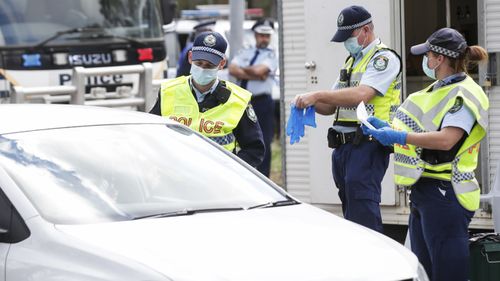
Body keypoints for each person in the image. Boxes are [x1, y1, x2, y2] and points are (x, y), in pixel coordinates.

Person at [362, 28, 489, 281]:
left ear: (439, 59)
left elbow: (446, 140)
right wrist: (389, 128)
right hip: (423, 191)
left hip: (445, 193)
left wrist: (399, 137)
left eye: (428, 55)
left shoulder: (463, 94)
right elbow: (422, 129)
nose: (425, 61)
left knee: (447, 274)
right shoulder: (436, 90)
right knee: (424, 273)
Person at [293, 5, 402, 233]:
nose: (346, 42)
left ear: (365, 31)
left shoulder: (383, 58)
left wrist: (317, 94)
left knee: (363, 215)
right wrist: (307, 104)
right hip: (344, 148)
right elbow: (331, 106)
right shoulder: (352, 61)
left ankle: (374, 265)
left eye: (348, 36)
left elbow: (362, 94)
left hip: (367, 144)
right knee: (352, 216)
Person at [150, 31, 265, 168]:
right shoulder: (168, 92)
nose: (203, 69)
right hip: (176, 176)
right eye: (199, 63)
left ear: (222, 64)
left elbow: (254, 149)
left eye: (209, 65)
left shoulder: (238, 100)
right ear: (190, 57)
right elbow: (150, 135)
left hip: (217, 181)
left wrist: (232, 171)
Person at [229, 18, 278, 177]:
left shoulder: (272, 54)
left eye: (267, 36)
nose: (264, 39)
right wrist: (256, 74)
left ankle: (263, 176)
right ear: (255, 35)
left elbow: (259, 71)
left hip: (262, 102)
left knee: (263, 140)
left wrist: (246, 71)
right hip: (243, 101)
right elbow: (232, 69)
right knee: (241, 138)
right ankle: (245, 174)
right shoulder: (246, 50)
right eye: (261, 35)